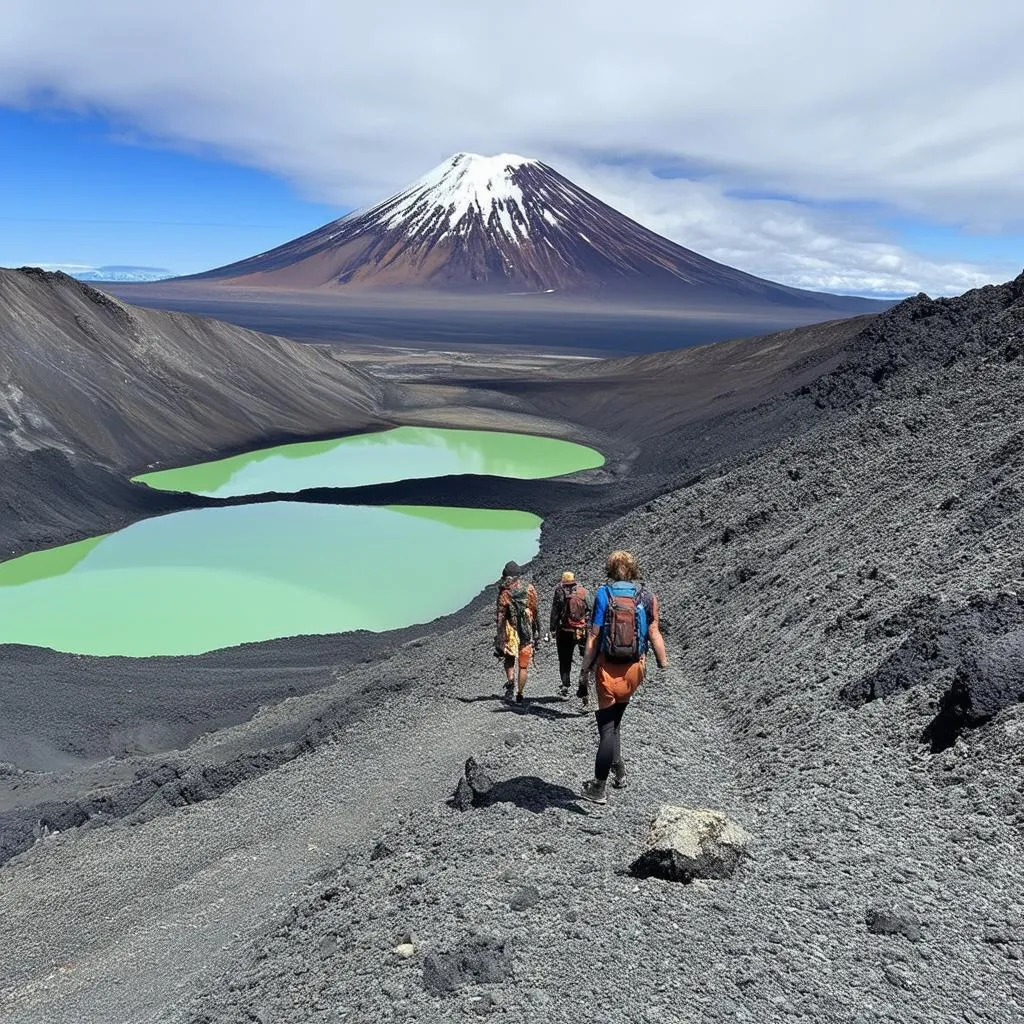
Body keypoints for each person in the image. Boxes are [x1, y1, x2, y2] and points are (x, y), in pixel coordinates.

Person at [576, 550, 668, 805]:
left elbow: (593, 636)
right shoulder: (646, 596)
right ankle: (620, 771)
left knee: (606, 728)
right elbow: (654, 632)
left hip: (607, 670)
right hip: (634, 670)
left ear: (610, 569)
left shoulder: (604, 594)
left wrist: (584, 671)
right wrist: (663, 663)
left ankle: (598, 788)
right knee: (616, 721)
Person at [494, 560, 540, 704]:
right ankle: (520, 694)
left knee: (509, 658)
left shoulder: (505, 593)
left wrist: (499, 639)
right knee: (523, 665)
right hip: (526, 630)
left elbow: (500, 617)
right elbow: (535, 611)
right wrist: (538, 630)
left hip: (511, 630)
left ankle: (511, 681)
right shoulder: (529, 588)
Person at [546, 571, 592, 698]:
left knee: (565, 659)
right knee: (586, 658)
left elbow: (555, 610)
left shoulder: (559, 591)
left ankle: (565, 685)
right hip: (582, 631)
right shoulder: (583, 591)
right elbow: (591, 609)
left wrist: (553, 628)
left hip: (565, 631)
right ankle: (585, 685)